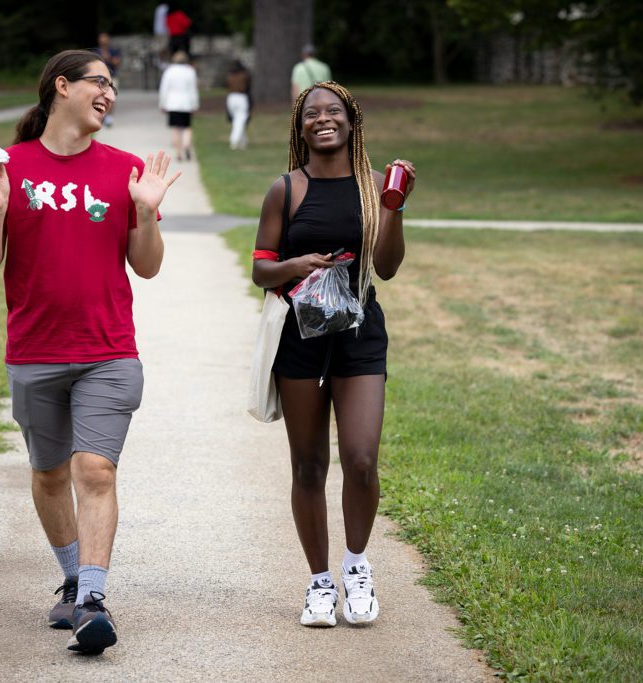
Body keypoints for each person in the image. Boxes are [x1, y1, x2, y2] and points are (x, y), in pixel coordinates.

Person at [0, 49, 180, 655]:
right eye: (100, 82)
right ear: (62, 87)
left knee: (94, 469)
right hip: (33, 350)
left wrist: (145, 213)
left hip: (108, 351)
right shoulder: (11, 169)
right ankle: (69, 577)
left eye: (112, 86)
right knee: (49, 473)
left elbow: (148, 266)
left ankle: (91, 599)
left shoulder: (124, 169)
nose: (109, 93)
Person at [251, 81, 416, 628]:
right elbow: (262, 268)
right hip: (300, 337)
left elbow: (387, 267)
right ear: (300, 128)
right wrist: (299, 266)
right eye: (311, 113)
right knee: (308, 466)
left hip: (359, 335)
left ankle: (356, 567)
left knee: (362, 460)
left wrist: (392, 207)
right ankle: (320, 582)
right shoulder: (286, 189)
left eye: (334, 111)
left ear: (352, 120)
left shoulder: (374, 187)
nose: (323, 119)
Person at [158, 50, 199, 161]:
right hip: (186, 103)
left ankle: (178, 153)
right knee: (187, 127)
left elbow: (164, 89)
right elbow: (193, 90)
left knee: (175, 128)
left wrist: (162, 103)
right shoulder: (190, 71)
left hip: (173, 103)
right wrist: (195, 104)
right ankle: (186, 145)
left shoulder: (169, 71)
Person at [92, 32, 121, 126]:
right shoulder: (95, 51)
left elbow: (117, 63)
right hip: (99, 78)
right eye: (102, 38)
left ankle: (109, 117)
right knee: (99, 97)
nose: (103, 40)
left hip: (112, 77)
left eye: (105, 38)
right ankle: (101, 115)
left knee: (111, 98)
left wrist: (108, 58)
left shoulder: (114, 51)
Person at [225, 60, 251, 150]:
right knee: (240, 119)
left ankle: (243, 141)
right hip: (241, 97)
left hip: (231, 98)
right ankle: (234, 140)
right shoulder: (244, 76)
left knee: (237, 120)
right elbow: (248, 87)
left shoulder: (229, 76)